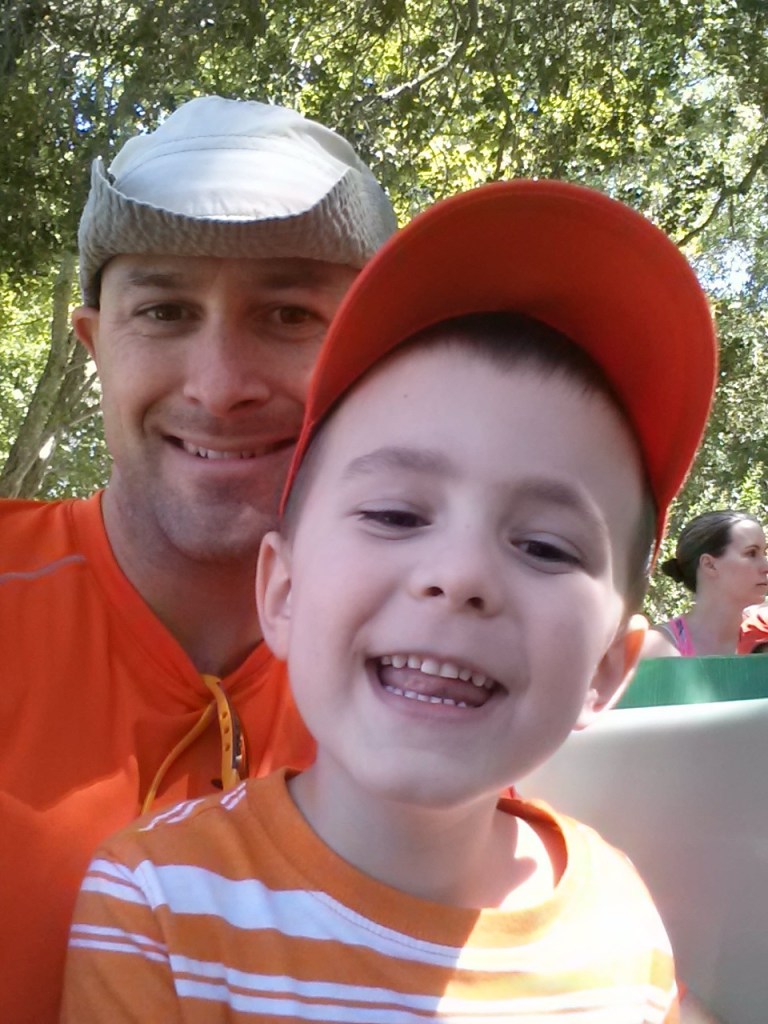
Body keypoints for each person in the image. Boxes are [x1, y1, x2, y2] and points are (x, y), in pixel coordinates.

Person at [60, 180, 718, 1022]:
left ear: (606, 670)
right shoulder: (157, 908)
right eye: (397, 515)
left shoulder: (620, 929)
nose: (461, 573)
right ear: (283, 590)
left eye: (547, 547)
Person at [0, 96, 397, 1024]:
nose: (219, 387)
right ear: (96, 346)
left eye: (290, 314)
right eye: (166, 311)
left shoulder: (450, 659)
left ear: (374, 358)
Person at [643, 510, 768, 657]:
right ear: (709, 565)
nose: (766, 566)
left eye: (764, 553)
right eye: (751, 553)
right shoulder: (656, 648)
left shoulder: (763, 632)